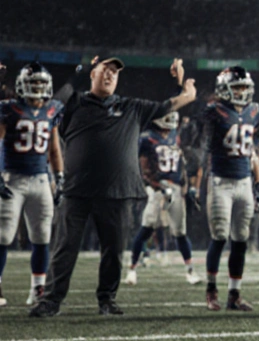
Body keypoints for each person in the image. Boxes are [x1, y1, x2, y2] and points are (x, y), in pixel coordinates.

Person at [30, 56, 195, 317]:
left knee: (113, 250)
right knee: (65, 248)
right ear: (92, 74)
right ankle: (51, 300)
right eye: (104, 70)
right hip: (77, 188)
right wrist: (79, 73)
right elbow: (53, 105)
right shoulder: (74, 102)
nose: (109, 75)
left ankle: (107, 299)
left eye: (114, 72)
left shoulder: (131, 106)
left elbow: (168, 106)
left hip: (118, 190)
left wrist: (180, 84)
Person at [197, 66, 259, 312]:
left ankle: (234, 294)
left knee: (241, 238)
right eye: (237, 87)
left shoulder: (257, 112)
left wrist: (258, 184)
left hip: (244, 181)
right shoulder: (214, 112)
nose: (241, 91)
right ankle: (211, 290)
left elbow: (254, 147)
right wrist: (198, 184)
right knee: (219, 235)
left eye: (244, 87)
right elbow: (205, 148)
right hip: (221, 181)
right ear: (224, 88)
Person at [0, 62, 65, 306]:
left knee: (42, 235)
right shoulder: (9, 109)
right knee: (3, 235)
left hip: (41, 179)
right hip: (12, 178)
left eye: (41, 82)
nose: (37, 87)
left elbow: (54, 149)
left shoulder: (52, 109)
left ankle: (37, 289)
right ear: (22, 85)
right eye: (33, 82)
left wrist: (59, 177)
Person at [124, 111, 201, 286]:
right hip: (157, 188)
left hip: (175, 188)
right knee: (146, 228)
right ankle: (132, 270)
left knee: (180, 232)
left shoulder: (174, 136)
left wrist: (185, 186)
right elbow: (142, 168)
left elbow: (181, 165)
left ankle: (190, 271)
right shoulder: (147, 139)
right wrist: (154, 185)